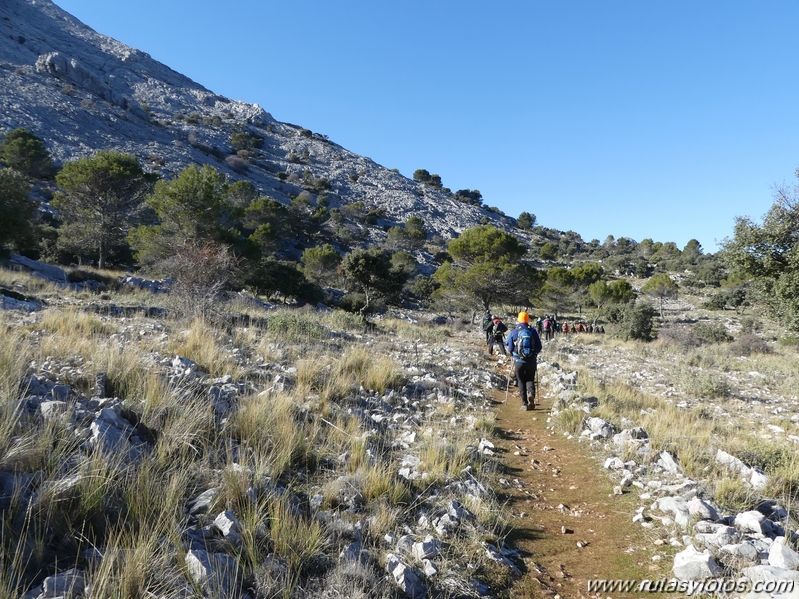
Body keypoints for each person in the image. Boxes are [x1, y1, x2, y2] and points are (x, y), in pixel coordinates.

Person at [506, 311, 542, 410]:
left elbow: (509, 347)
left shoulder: (514, 331)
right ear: (528, 320)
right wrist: (534, 354)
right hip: (531, 361)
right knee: (530, 379)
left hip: (518, 362)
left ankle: (524, 404)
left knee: (521, 381)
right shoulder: (533, 331)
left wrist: (515, 354)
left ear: (518, 319)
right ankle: (531, 393)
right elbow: (539, 346)